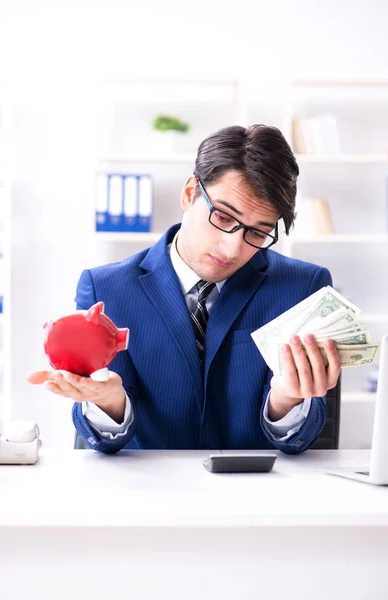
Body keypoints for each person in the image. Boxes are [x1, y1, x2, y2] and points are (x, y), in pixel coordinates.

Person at [27, 124, 341, 454]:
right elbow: (107, 437)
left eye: (258, 233)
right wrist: (110, 403)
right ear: (190, 193)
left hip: (257, 493)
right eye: (223, 217)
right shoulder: (105, 287)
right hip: (146, 494)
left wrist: (286, 400)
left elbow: (304, 436)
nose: (233, 248)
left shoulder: (304, 288)